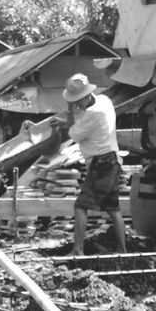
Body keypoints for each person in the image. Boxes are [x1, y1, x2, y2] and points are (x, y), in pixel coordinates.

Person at [54, 73, 126, 257]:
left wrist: (69, 113)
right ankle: (122, 251)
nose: (76, 104)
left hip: (102, 164)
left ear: (87, 96)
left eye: (77, 101)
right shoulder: (104, 100)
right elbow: (80, 125)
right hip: (112, 161)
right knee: (113, 208)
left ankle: (78, 250)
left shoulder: (92, 114)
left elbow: (74, 134)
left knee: (80, 206)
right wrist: (67, 119)